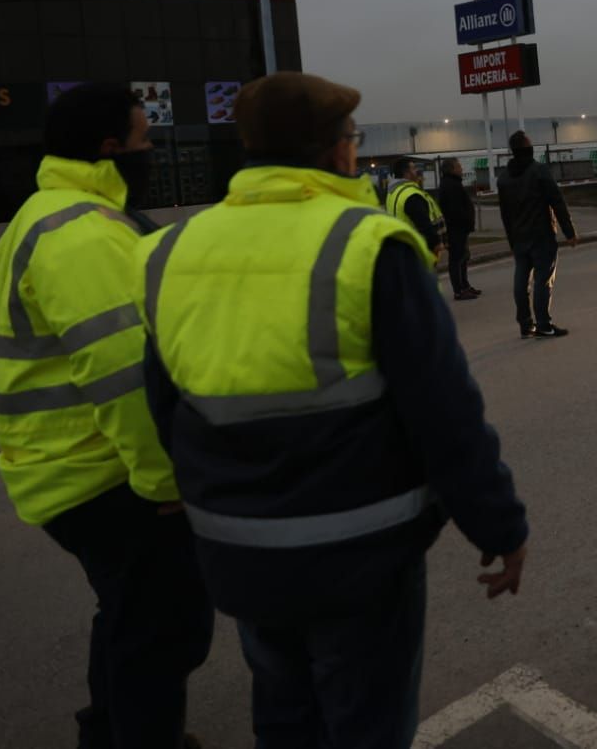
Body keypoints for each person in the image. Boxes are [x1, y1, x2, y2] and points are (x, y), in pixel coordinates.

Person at [134, 72, 528, 748]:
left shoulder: (169, 250)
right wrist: (499, 526)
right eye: (350, 137)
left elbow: (164, 402)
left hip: (238, 551)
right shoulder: (365, 245)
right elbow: (444, 414)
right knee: (365, 724)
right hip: (359, 559)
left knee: (285, 716)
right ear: (334, 149)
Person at [0, 82, 212, 748]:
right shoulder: (82, 234)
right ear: (110, 149)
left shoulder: (44, 212)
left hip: (65, 469)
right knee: (164, 631)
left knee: (129, 614)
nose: (152, 154)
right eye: (146, 142)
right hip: (103, 474)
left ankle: (108, 731)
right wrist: (164, 482)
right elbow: (122, 377)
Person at [497, 130, 578, 338]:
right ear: (527, 147)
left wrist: (511, 239)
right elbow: (556, 201)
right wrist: (569, 231)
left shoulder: (504, 178)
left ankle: (525, 324)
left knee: (521, 281)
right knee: (543, 280)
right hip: (541, 235)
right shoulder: (539, 171)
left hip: (519, 237)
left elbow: (504, 213)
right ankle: (544, 324)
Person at [438, 157, 481, 301]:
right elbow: (454, 210)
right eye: (459, 166)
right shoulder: (450, 186)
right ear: (452, 169)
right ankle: (459, 290)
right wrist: (465, 221)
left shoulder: (453, 183)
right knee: (456, 259)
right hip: (455, 229)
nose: (462, 169)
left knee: (463, 257)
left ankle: (465, 285)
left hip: (460, 229)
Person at [384, 158, 444, 260]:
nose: (417, 171)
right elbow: (423, 222)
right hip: (416, 249)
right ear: (406, 173)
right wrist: (435, 243)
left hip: (400, 247)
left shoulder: (392, 192)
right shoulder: (411, 194)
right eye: (414, 168)